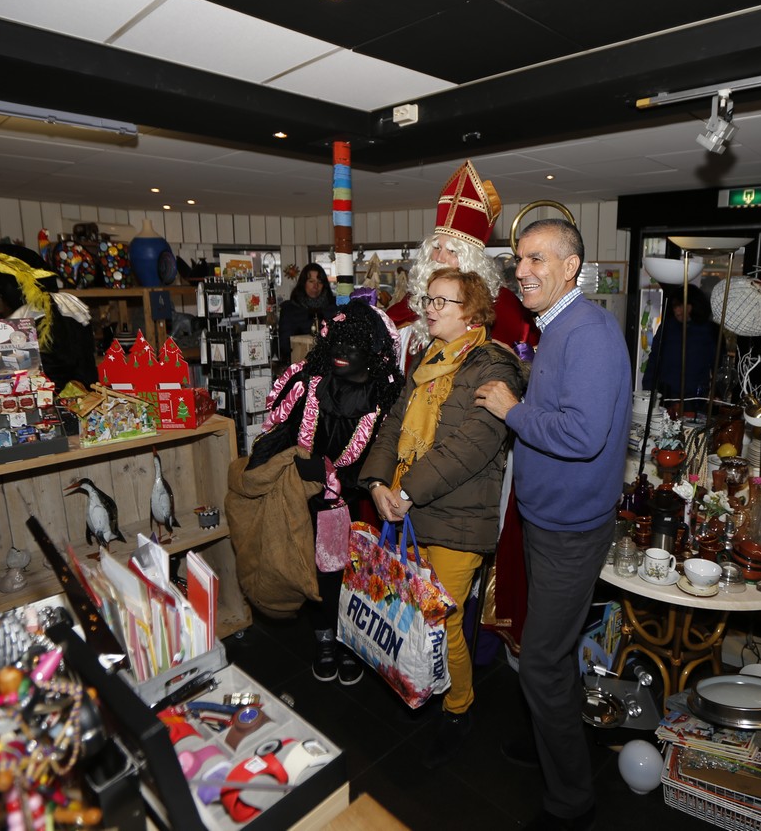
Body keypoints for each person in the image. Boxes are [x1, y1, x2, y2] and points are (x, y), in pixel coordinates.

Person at [475, 218, 631, 831]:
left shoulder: (586, 331)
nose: (522, 270)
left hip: (570, 529)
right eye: (519, 259)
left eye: (537, 258)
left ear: (571, 267)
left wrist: (512, 411)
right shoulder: (558, 326)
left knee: (540, 662)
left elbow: (582, 435)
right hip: (549, 520)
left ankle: (571, 800)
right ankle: (553, 740)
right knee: (553, 651)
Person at [359, 269, 523, 767]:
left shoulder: (495, 366)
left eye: (441, 302)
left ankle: (458, 709)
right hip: (408, 509)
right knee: (409, 611)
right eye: (428, 299)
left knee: (443, 620)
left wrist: (406, 491)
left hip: (458, 518)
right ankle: (419, 683)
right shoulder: (427, 359)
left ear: (471, 312)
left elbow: (470, 447)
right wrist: (377, 482)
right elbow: (392, 425)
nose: (428, 308)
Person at [231, 299, 404, 686]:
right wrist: (283, 467)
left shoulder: (386, 397)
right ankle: (324, 638)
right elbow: (278, 435)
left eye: (354, 344)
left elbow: (389, 452)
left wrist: (351, 480)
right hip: (306, 498)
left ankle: (349, 641)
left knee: (352, 576)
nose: (342, 351)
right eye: (338, 342)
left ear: (373, 352)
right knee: (314, 570)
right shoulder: (309, 384)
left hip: (360, 504)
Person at [385, 160, 540, 362]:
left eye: (452, 251)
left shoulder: (503, 305)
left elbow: (527, 360)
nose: (440, 258)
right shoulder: (415, 300)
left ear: (472, 261)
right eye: (436, 248)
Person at [0, 245, 99, 391]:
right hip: (83, 392)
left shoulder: (39, 313)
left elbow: (55, 367)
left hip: (57, 397)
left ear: (18, 283)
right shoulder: (66, 306)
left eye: (1, 288)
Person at [642, 283, 719, 409]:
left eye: (681, 306)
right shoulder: (667, 327)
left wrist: (716, 393)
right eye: (675, 306)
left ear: (693, 305)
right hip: (665, 396)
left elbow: (718, 365)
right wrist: (647, 389)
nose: (677, 311)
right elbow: (654, 360)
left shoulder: (709, 331)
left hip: (695, 399)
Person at [276, 262, 337, 366]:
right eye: (311, 281)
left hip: (329, 365)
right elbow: (285, 344)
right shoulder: (290, 309)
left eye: (319, 282)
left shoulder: (333, 307)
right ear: (303, 283)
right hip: (299, 364)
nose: (315, 286)